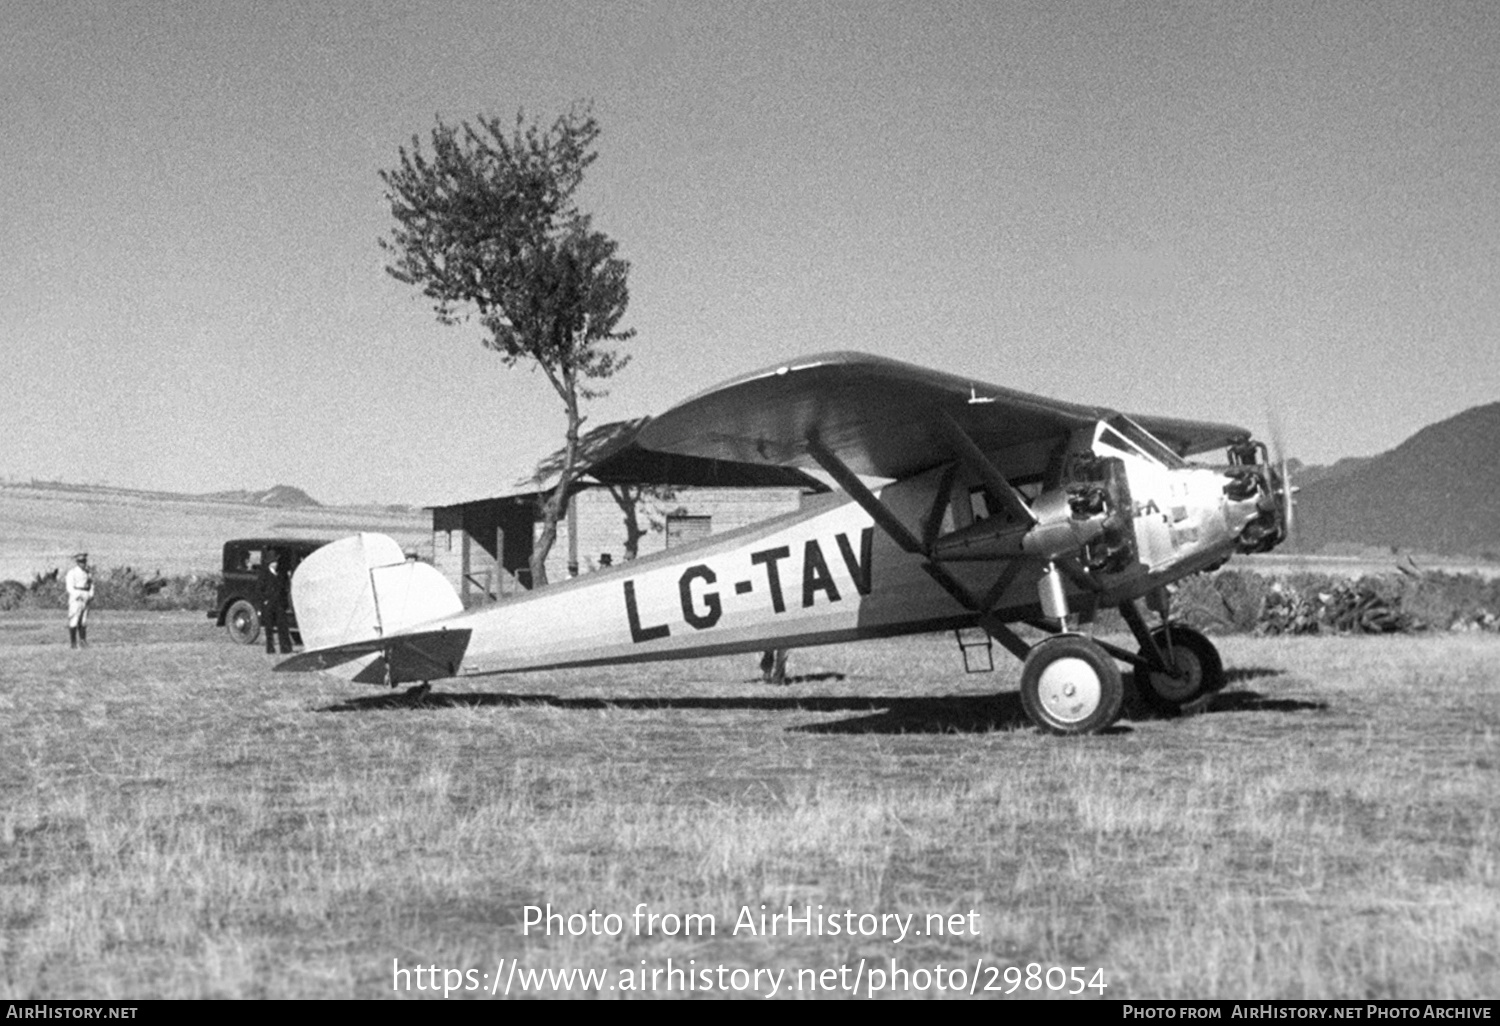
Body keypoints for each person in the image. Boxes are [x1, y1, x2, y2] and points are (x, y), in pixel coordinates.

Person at [259, 549, 294, 655]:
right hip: (269, 603)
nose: (276, 564)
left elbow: (283, 589)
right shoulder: (264, 574)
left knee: (282, 625)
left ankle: (285, 647)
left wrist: (284, 602)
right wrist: (265, 601)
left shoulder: (280, 574)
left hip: (279, 604)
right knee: (269, 627)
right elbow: (260, 589)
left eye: (276, 562)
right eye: (274, 562)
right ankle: (270, 648)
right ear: (270, 563)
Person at [65, 551, 94, 649]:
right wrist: (77, 595)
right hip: (76, 596)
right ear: (77, 562)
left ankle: (83, 641)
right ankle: (73, 643)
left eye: (84, 561)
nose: (83, 563)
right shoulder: (72, 572)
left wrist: (90, 594)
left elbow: (91, 584)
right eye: (81, 561)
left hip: (86, 595)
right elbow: (69, 587)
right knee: (74, 618)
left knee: (84, 620)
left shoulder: (88, 573)